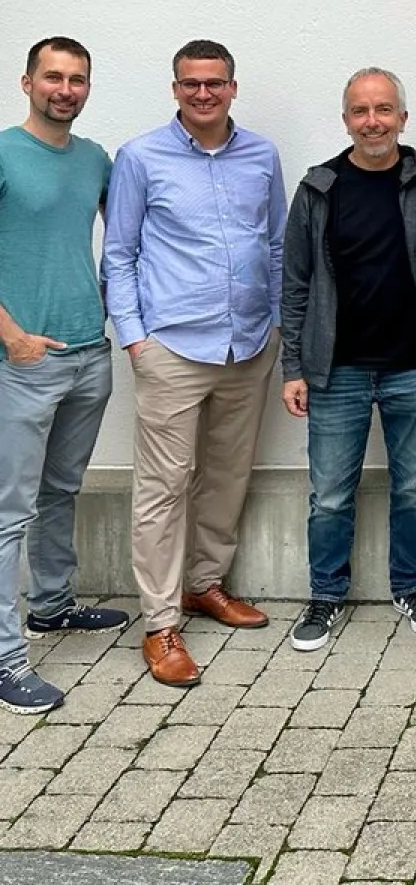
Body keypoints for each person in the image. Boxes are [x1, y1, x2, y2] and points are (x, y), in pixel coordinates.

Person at [103, 40, 286, 688]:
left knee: (229, 473)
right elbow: (119, 253)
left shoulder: (262, 156)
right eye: (190, 84)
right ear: (175, 89)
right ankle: (159, 622)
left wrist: (275, 324)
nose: (203, 93)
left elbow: (277, 244)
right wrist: (135, 339)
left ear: (233, 87)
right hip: (173, 348)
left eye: (214, 83)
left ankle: (205, 584)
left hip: (248, 347)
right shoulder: (140, 157)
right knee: (164, 485)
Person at [280, 68, 416, 652]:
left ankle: (412, 588)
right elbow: (295, 282)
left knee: (415, 487)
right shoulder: (320, 188)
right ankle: (325, 595)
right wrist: (293, 366)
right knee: (329, 492)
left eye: (383, 109)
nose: (372, 121)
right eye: (360, 111)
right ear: (345, 118)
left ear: (403, 116)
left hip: (414, 364)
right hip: (337, 368)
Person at [0, 38, 128, 715]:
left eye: (78, 78)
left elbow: (132, 234)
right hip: (24, 362)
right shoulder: (2, 152)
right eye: (54, 76)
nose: (66, 88)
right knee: (8, 512)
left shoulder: (94, 159)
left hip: (88, 352)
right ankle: (5, 659)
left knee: (60, 492)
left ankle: (51, 607)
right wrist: (12, 335)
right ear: (27, 82)